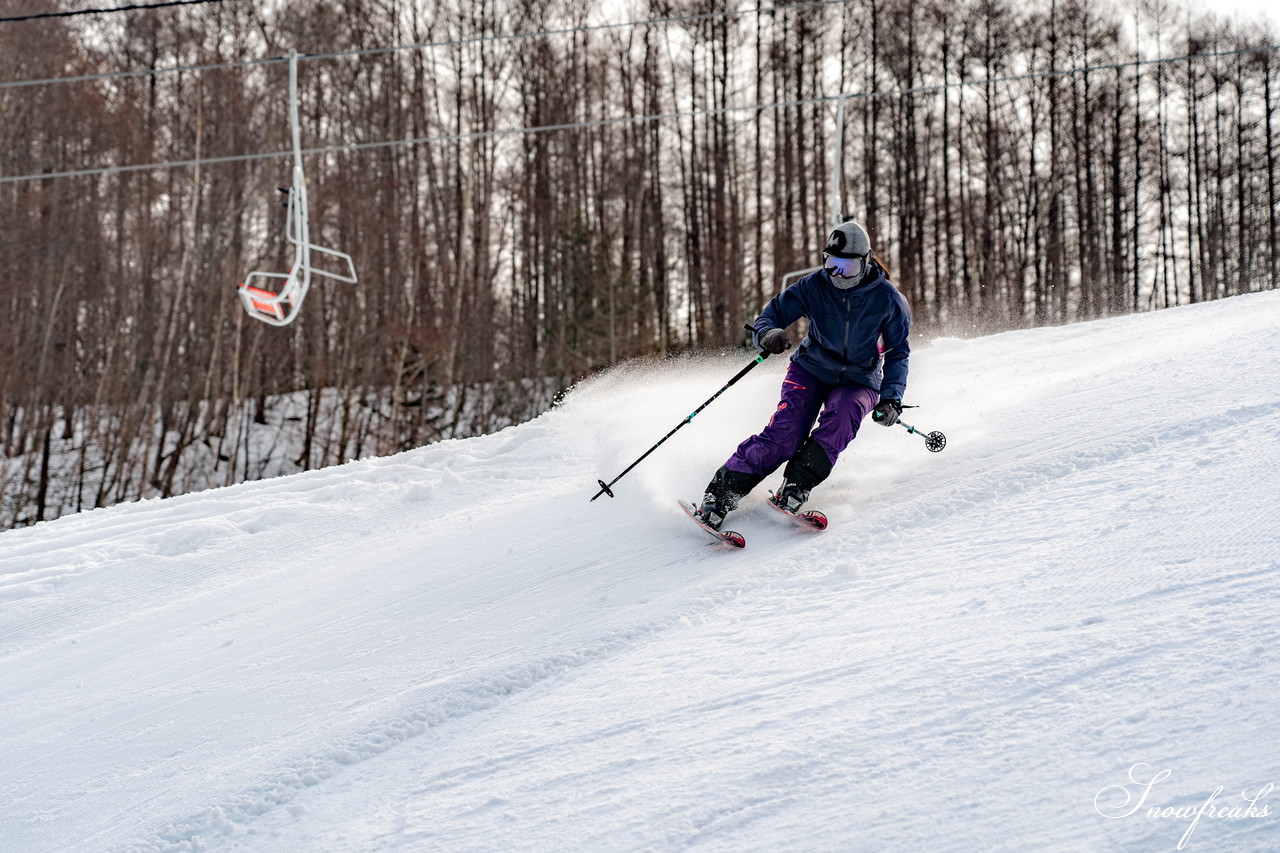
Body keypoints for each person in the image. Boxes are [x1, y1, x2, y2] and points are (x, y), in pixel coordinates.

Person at [694, 220, 911, 529]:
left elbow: (898, 352)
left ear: (864, 263)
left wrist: (891, 398)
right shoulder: (815, 285)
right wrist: (768, 334)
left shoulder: (888, 299)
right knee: (786, 433)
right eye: (831, 263)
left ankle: (796, 486)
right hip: (810, 369)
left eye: (846, 267)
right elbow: (770, 316)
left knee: (842, 419)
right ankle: (719, 496)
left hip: (859, 380)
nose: (836, 274)